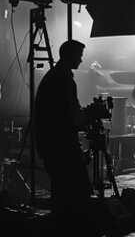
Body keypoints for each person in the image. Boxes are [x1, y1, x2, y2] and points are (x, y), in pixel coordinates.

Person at [34, 40, 95, 234]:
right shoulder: (63, 79)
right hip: (61, 144)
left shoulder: (55, 76)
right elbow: (70, 114)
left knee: (62, 190)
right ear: (70, 56)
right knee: (76, 190)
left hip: (51, 143)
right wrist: (86, 118)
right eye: (79, 55)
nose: (81, 59)